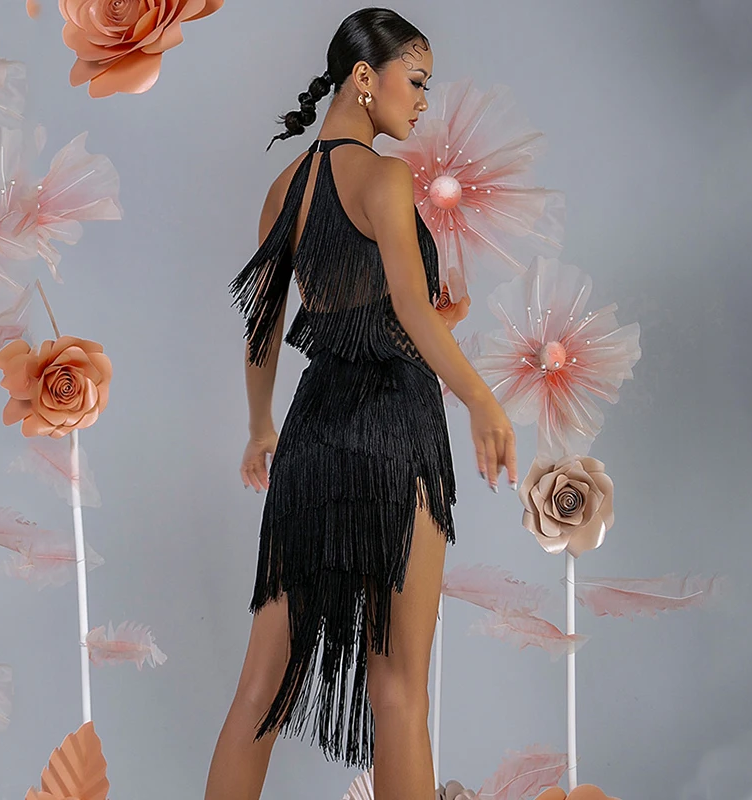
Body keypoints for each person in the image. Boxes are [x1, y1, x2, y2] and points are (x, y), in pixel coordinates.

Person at [204, 8, 517, 800]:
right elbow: (409, 307)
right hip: (393, 430)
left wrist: (259, 427)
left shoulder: (282, 190)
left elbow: (265, 329)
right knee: (399, 691)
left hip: (312, 436)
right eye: (417, 81)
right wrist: (481, 399)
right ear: (365, 77)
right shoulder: (386, 178)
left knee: (258, 691)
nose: (423, 101)